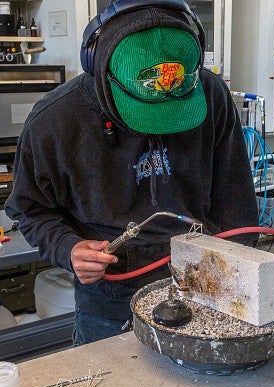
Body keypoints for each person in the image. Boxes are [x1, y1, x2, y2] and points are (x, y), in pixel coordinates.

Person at [5, 0, 259, 346]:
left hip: (204, 282)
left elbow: (235, 202)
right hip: (111, 297)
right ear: (100, 68)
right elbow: (29, 208)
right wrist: (69, 248)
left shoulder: (211, 95)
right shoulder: (55, 120)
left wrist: (234, 276)